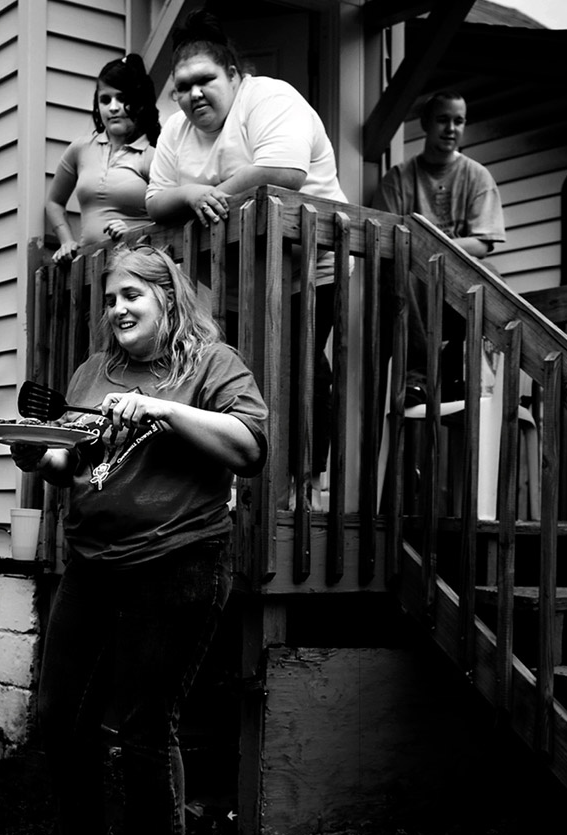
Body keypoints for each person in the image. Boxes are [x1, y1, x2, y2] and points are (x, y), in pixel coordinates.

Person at [10, 246, 266, 835]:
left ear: (167, 300)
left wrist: (160, 409)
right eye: (111, 298)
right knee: (60, 712)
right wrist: (35, 451)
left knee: (146, 720)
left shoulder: (211, 364)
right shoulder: (93, 372)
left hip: (178, 558)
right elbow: (70, 463)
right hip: (94, 559)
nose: (117, 308)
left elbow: (249, 446)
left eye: (132, 295)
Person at [145, 12, 343, 493]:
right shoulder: (174, 131)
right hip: (232, 282)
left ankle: (305, 487)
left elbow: (283, 170)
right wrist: (191, 195)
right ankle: (241, 488)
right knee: (234, 376)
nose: (194, 94)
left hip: (306, 270)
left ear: (234, 75)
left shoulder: (270, 98)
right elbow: (155, 201)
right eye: (182, 87)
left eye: (205, 80)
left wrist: (209, 195)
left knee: (298, 369)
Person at [376, 90, 506, 405]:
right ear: (425, 123)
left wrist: (432, 246)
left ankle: (464, 373)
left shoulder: (476, 175)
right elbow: (386, 238)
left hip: (457, 285)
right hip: (414, 289)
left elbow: (482, 243)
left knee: (489, 275)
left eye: (458, 121)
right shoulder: (398, 179)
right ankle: (417, 376)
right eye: (443, 120)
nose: (451, 129)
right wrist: (424, 253)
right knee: (405, 267)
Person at [44, 53, 159, 263]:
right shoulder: (80, 149)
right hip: (89, 269)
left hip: (137, 266)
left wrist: (134, 234)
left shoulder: (153, 157)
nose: (113, 107)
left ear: (140, 102)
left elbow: (171, 219)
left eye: (122, 98)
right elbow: (54, 202)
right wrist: (66, 241)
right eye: (105, 100)